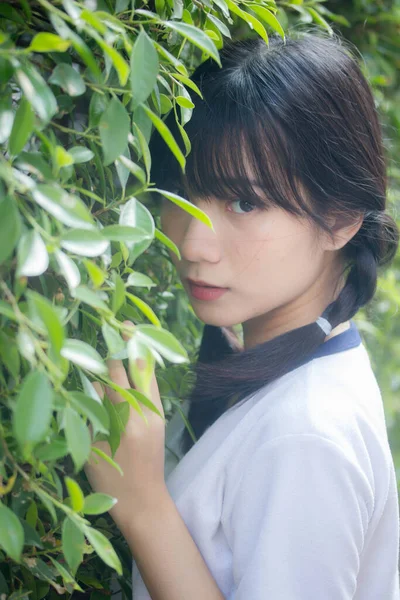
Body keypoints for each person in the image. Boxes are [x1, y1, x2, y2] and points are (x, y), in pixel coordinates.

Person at [84, 28, 400, 599]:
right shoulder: (294, 379)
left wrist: (143, 505)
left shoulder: (306, 436)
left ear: (341, 219)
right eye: (182, 194)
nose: (192, 244)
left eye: (245, 202)